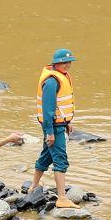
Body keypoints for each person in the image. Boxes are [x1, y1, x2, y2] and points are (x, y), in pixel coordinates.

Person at [31, 48, 79, 208]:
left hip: (59, 124)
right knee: (60, 159)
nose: (67, 65)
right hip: (53, 126)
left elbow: (60, 105)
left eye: (69, 62)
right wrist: (50, 132)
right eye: (64, 62)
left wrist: (67, 122)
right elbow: (48, 110)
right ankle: (62, 198)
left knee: (47, 155)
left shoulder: (60, 76)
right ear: (56, 63)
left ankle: (34, 186)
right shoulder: (52, 81)